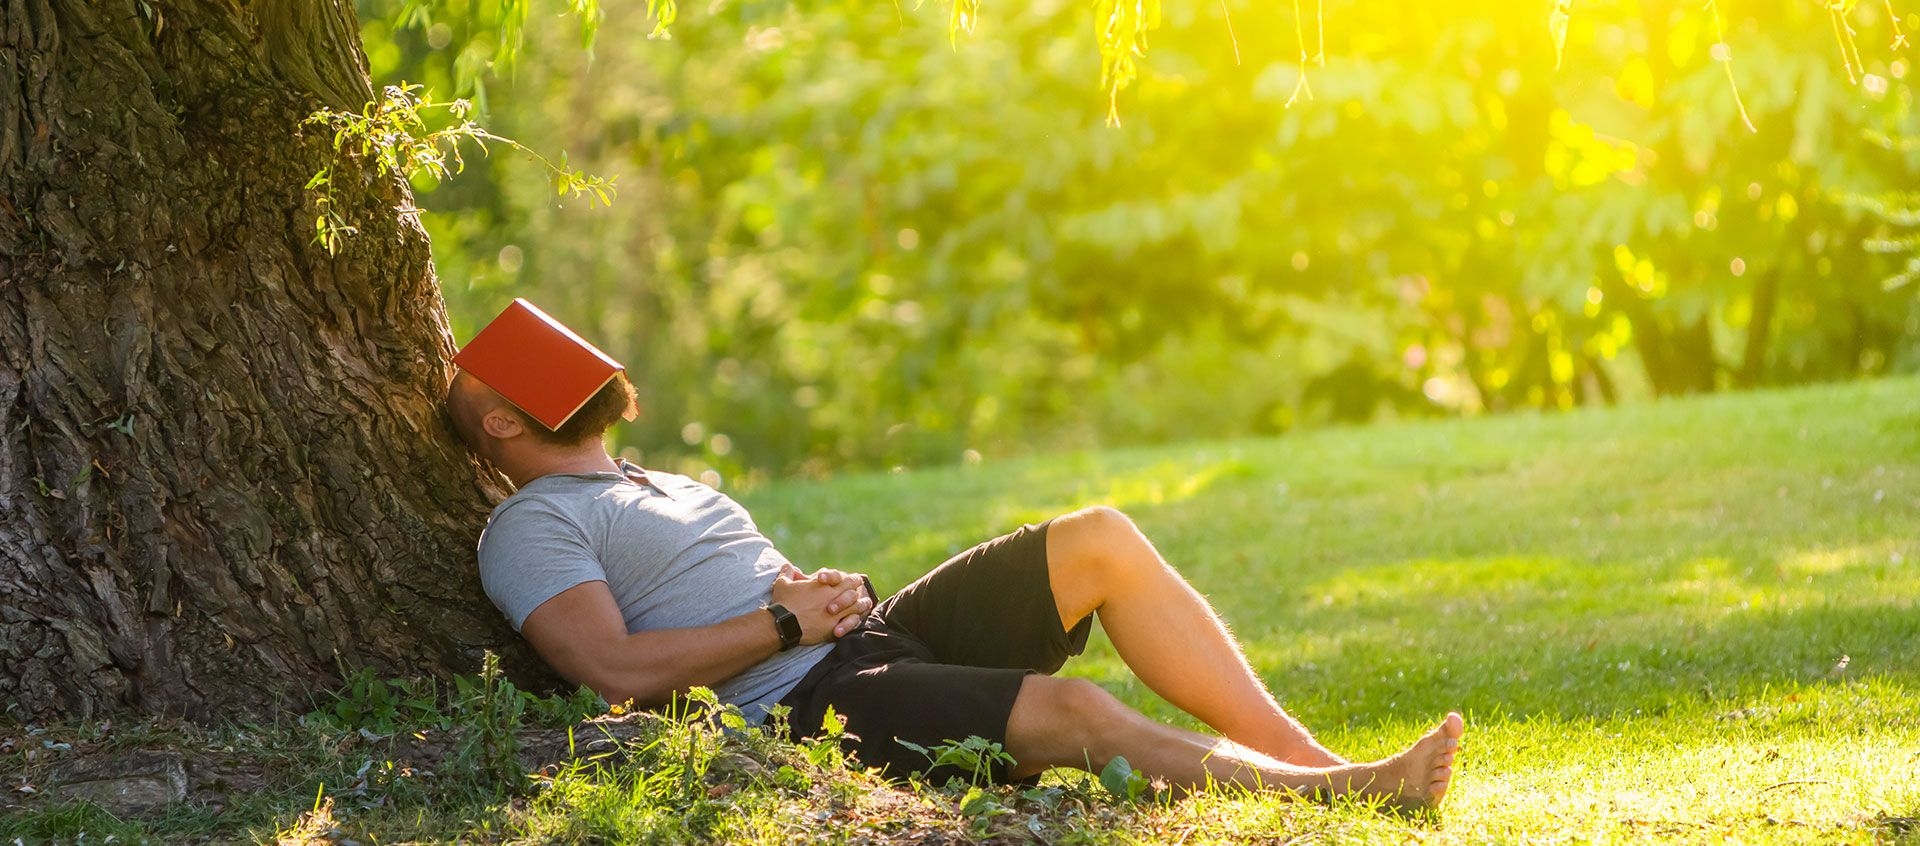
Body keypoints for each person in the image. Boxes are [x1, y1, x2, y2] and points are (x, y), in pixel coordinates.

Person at [445, 369, 1464, 807]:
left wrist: (811, 599)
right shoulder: (531, 525)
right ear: (499, 425)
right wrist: (780, 620)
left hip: (860, 637)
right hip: (805, 706)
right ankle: (1344, 793)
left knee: (1098, 538)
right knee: (1072, 712)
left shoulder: (640, 477)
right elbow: (611, 670)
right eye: (504, 372)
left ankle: (1306, 755)